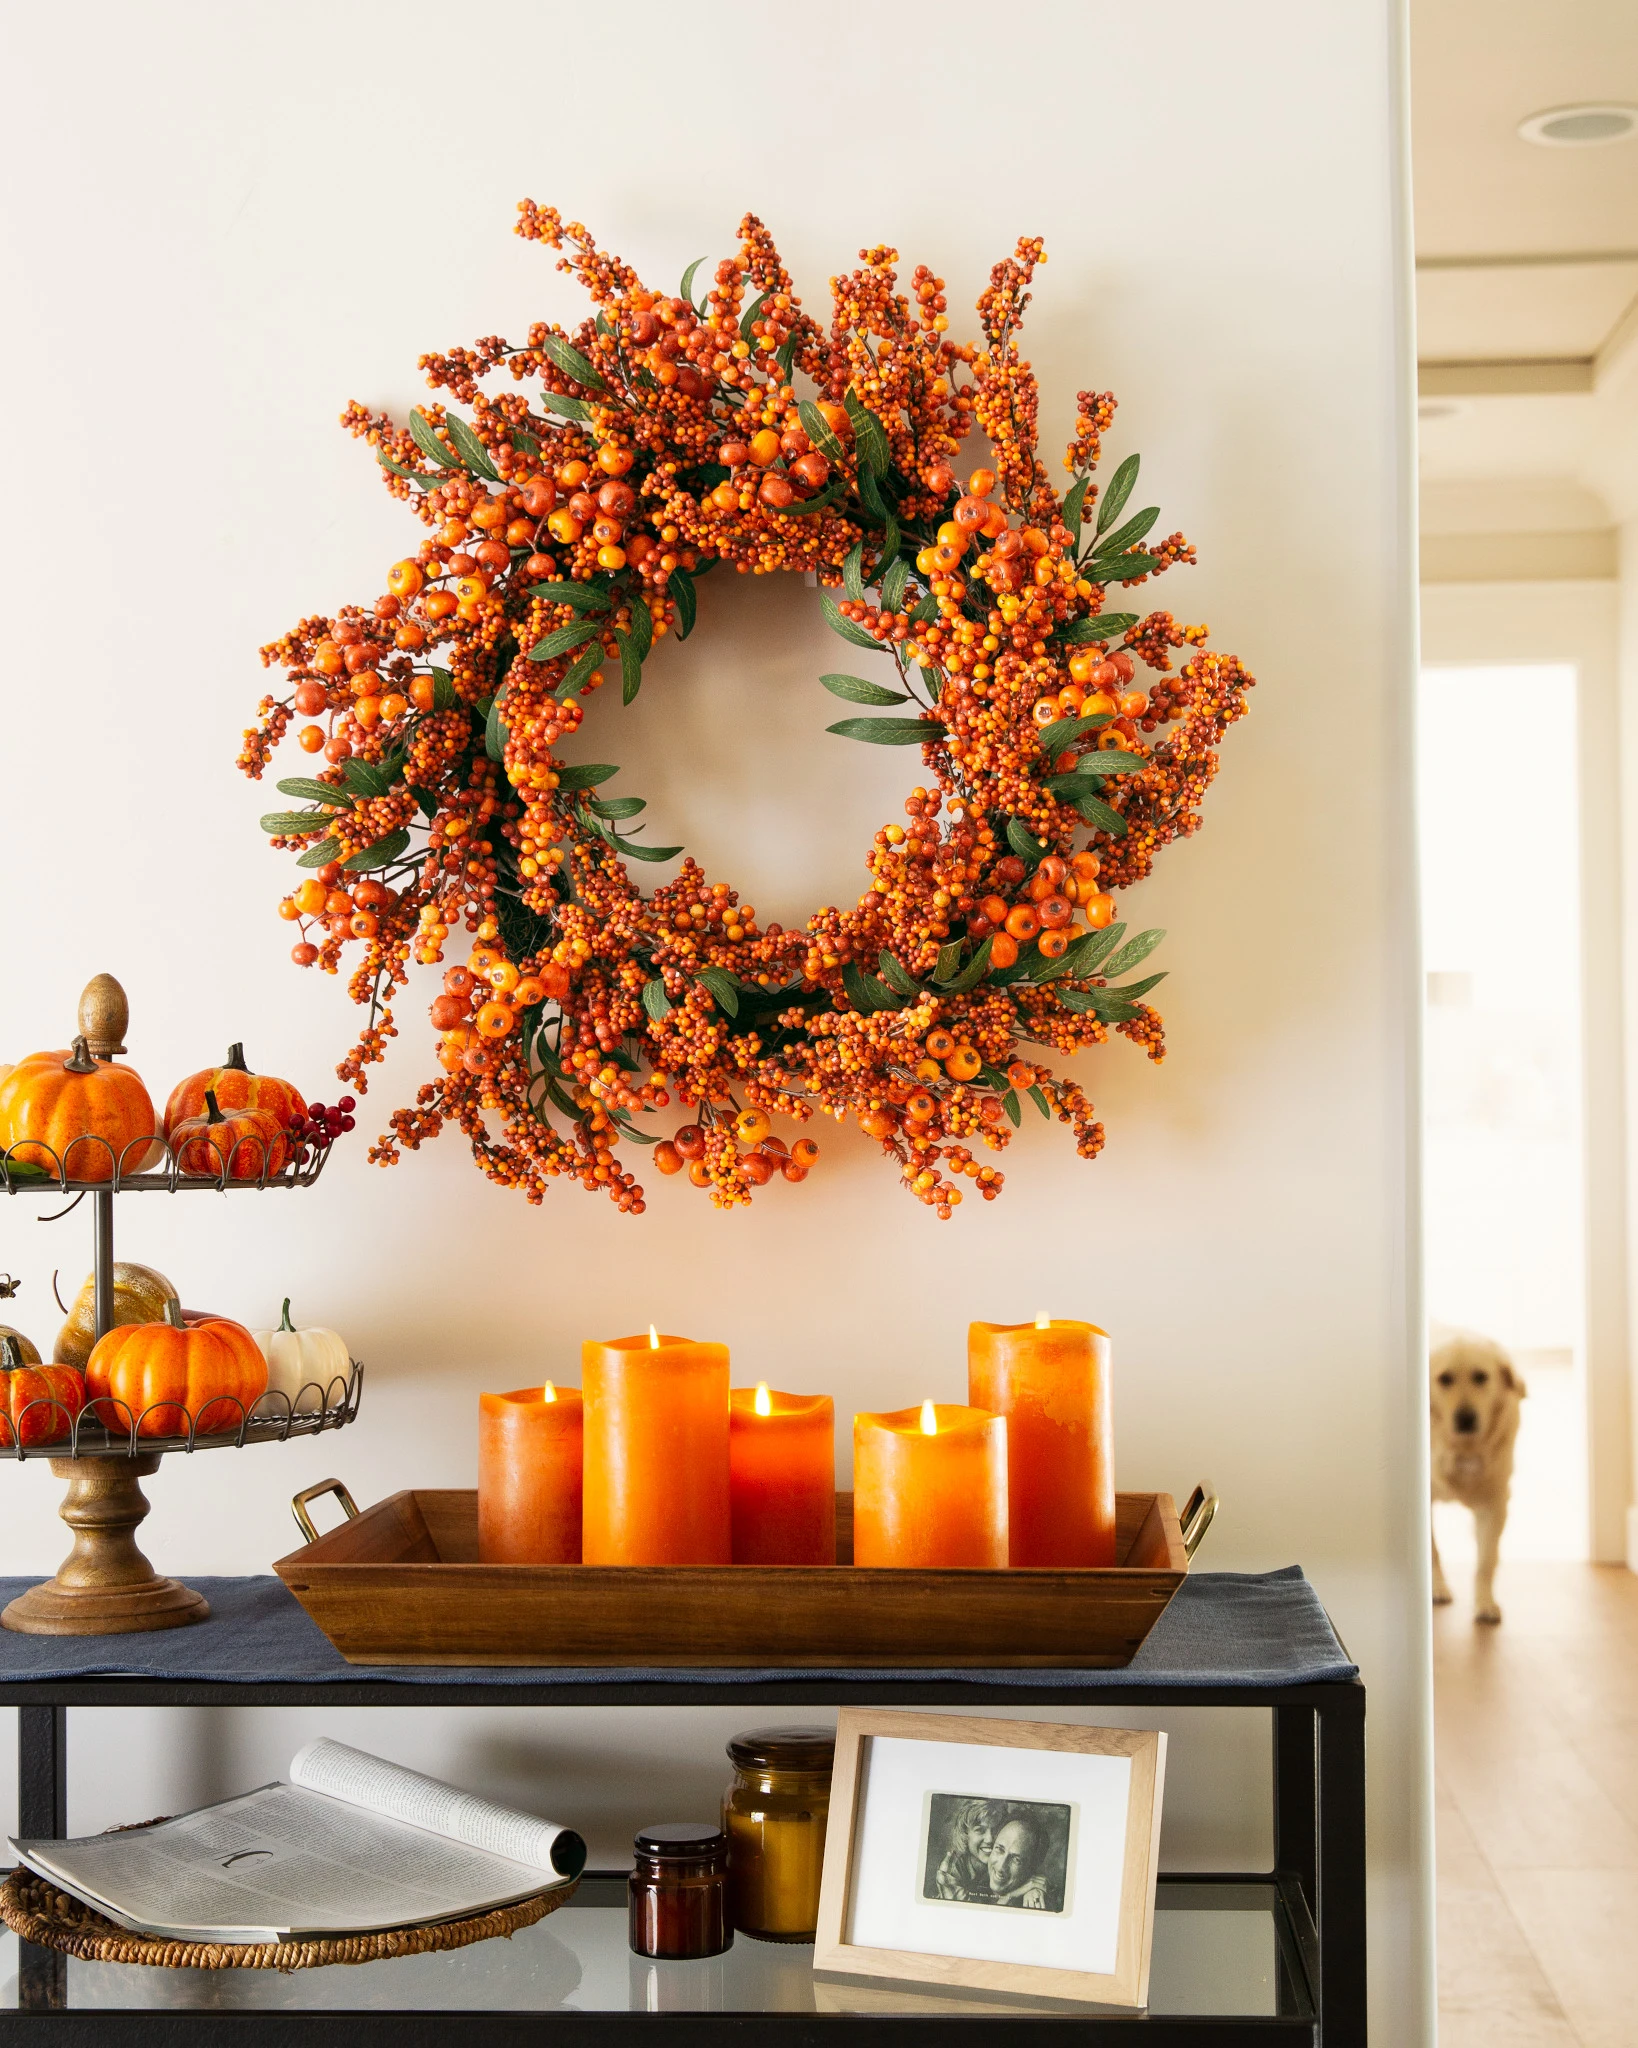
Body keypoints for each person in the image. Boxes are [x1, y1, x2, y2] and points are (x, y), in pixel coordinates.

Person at [932, 1798, 1002, 1900]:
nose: (990, 1839)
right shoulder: (950, 1869)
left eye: (996, 1829)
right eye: (980, 1830)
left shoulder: (1006, 1861)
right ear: (965, 1833)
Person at [986, 1816, 1050, 1909]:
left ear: (1031, 1868)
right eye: (999, 1849)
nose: (1000, 1867)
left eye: (1016, 1860)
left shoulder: (1034, 1902)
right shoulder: (972, 1881)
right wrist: (1009, 1897)